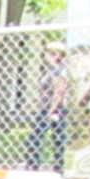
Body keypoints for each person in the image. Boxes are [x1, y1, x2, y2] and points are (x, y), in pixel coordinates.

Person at [26, 42, 69, 171]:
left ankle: (36, 166)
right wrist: (33, 101)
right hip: (47, 107)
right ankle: (53, 167)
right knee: (54, 138)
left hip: (54, 109)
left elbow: (59, 91)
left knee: (39, 137)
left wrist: (52, 110)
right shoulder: (50, 71)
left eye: (50, 53)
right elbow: (45, 91)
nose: (46, 56)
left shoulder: (58, 71)